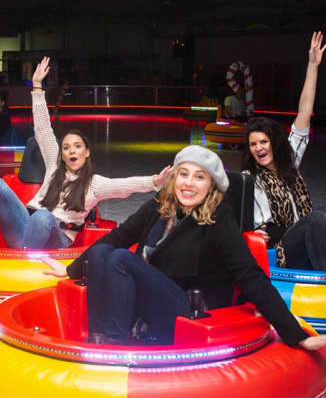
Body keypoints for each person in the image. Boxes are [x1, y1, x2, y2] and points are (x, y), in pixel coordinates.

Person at [42, 145, 326, 351]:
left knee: (119, 260)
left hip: (190, 307)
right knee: (104, 253)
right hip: (156, 299)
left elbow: (250, 275)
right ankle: (101, 339)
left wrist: (293, 332)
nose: (189, 184)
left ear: (211, 185)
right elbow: (118, 237)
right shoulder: (161, 205)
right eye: (184, 174)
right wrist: (70, 269)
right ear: (174, 177)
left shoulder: (219, 218)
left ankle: (115, 346)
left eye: (199, 177)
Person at [0, 56, 172, 250]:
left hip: (56, 239)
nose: (71, 151)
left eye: (77, 146)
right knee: (1, 188)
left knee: (45, 218)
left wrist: (155, 181)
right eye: (66, 147)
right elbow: (43, 128)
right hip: (23, 226)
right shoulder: (55, 167)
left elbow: (125, 185)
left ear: (87, 152)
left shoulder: (94, 184)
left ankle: (26, 258)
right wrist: (37, 87)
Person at [241, 31, 326, 269]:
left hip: (305, 239)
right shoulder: (250, 180)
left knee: (316, 222)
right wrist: (254, 231)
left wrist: (312, 65)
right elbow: (239, 220)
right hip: (282, 250)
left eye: (264, 142)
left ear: (274, 143)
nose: (259, 148)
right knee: (316, 220)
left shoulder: (290, 161)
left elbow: (304, 111)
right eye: (253, 144)